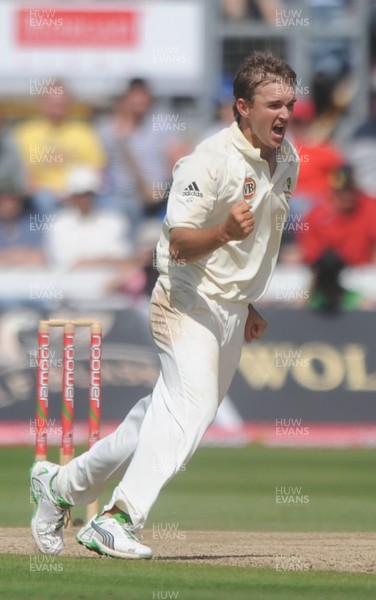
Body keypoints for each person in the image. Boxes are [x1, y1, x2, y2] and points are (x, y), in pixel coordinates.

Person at [30, 51, 299, 559]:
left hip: (231, 308)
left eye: (290, 103)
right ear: (242, 106)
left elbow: (259, 241)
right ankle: (117, 518)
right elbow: (178, 243)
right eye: (272, 104)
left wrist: (248, 299)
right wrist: (222, 232)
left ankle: (60, 486)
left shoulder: (289, 159)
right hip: (183, 299)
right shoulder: (208, 160)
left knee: (156, 419)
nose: (284, 114)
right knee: (191, 410)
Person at [14, 82, 105, 215]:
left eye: (61, 102)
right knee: (45, 200)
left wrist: (74, 192)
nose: (56, 106)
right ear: (41, 103)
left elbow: (97, 170)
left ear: (69, 104)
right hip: (41, 195)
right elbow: (22, 173)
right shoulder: (25, 134)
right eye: (51, 102)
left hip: (78, 193)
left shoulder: (84, 132)